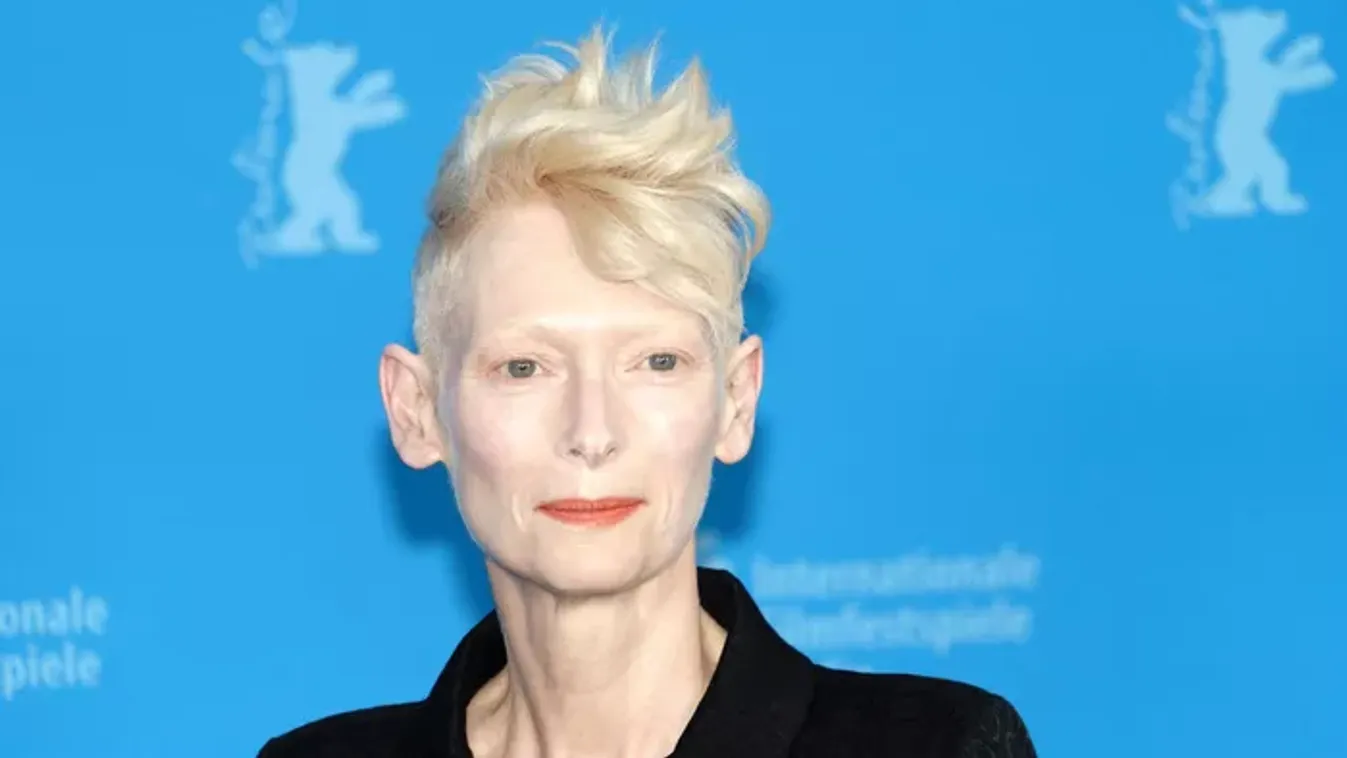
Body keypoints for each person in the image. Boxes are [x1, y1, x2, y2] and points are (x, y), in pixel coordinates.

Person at [258, 25, 1037, 758]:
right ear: (416, 411)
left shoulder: (933, 744)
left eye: (656, 362)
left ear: (736, 400)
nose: (592, 433)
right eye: (524, 367)